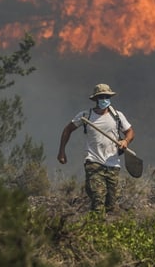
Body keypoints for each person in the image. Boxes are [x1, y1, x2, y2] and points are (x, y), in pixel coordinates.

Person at [58, 83, 135, 213]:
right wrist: (61, 152)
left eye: (106, 96)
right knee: (98, 199)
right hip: (93, 162)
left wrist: (125, 141)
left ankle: (103, 228)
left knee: (111, 204)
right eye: (101, 97)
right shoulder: (86, 116)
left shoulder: (117, 116)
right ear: (96, 99)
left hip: (113, 164)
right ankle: (94, 225)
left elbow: (130, 132)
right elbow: (67, 130)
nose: (104, 99)